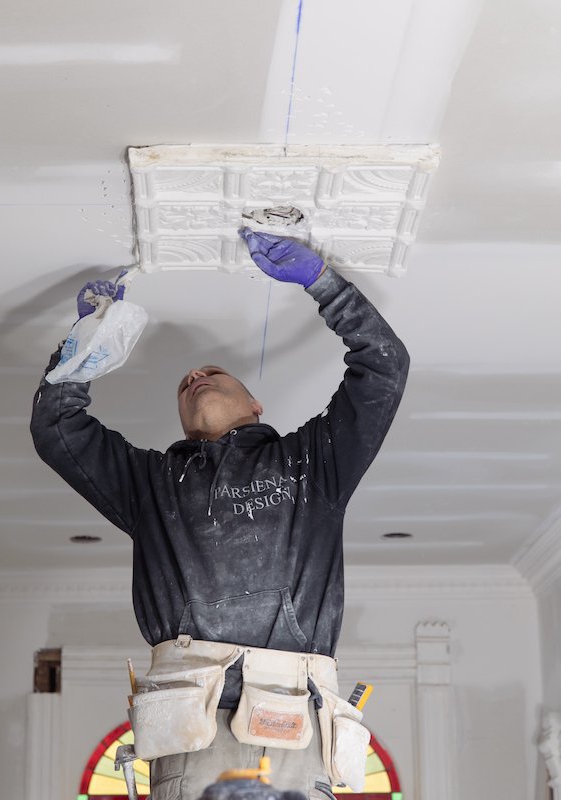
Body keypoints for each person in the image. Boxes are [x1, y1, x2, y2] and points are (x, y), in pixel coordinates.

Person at [30, 229, 410, 800]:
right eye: (185, 384)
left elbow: (383, 367)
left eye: (213, 373)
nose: (194, 378)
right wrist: (82, 349)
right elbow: (59, 431)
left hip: (295, 717)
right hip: (192, 722)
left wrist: (323, 284)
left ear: (256, 405)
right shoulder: (151, 485)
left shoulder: (314, 462)